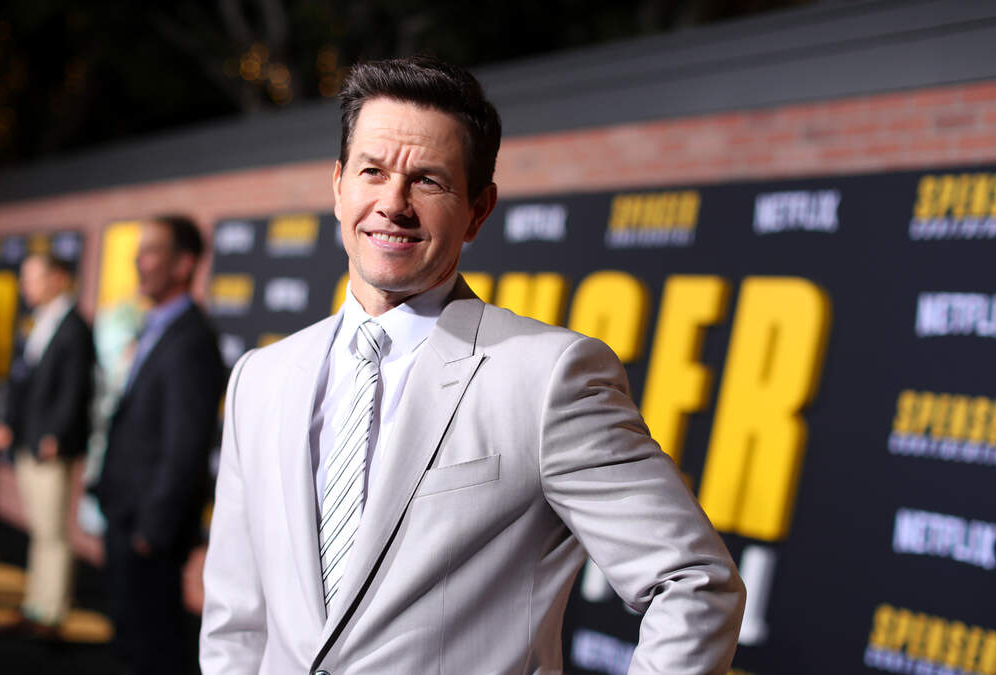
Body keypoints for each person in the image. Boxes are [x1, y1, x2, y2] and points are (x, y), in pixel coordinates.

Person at [200, 56, 746, 675]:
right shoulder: (260, 377)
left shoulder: (549, 378)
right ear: (338, 186)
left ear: (479, 210)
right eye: (373, 171)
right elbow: (236, 620)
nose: (393, 204)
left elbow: (695, 583)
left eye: (428, 181)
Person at [95, 216, 225, 675]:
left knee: (154, 652)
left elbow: (184, 448)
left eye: (150, 251)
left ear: (183, 264)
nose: (138, 261)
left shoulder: (192, 341)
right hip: (126, 517)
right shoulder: (155, 326)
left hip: (149, 532)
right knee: (130, 644)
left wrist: (153, 529)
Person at [0, 254, 94, 638]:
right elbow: (29, 387)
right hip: (29, 441)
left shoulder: (74, 326)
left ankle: (51, 613)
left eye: (33, 278)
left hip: (49, 448)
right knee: (40, 530)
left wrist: (55, 436)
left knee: (52, 533)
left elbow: (74, 389)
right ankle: (36, 606)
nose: (25, 286)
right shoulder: (41, 321)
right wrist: (11, 428)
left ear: (58, 278)